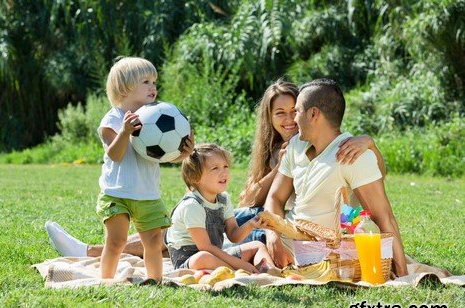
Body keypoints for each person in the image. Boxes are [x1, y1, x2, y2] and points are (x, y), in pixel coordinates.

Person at [46, 79, 384, 257]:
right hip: (259, 219)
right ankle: (97, 250)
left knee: (187, 230)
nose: (287, 119)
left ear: (309, 111)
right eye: (279, 113)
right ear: (270, 118)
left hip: (298, 230)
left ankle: (93, 251)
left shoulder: (326, 143)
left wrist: (369, 141)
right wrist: (278, 167)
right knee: (190, 222)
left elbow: (371, 175)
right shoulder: (278, 150)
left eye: (292, 110)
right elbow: (250, 196)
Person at [262, 78, 408, 277]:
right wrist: (273, 237)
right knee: (231, 233)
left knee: (227, 247)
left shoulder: (353, 154)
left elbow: (384, 217)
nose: (294, 120)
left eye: (297, 112)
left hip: (325, 255)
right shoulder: (296, 144)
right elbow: (274, 198)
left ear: (313, 114)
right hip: (280, 239)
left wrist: (403, 274)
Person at [93, 56, 192, 281]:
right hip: (116, 193)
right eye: (146, 81)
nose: (153, 87)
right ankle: (106, 280)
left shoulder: (156, 115)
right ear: (124, 87)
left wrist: (184, 152)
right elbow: (115, 155)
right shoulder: (113, 119)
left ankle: (154, 280)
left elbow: (164, 156)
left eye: (154, 82)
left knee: (154, 243)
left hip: (147, 195)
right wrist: (125, 132)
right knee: (116, 241)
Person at [165, 143, 275, 272]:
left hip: (216, 255)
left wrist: (251, 224)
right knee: (203, 257)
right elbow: (205, 247)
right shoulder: (192, 206)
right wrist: (241, 265)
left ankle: (270, 272)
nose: (223, 172)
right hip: (190, 259)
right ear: (195, 177)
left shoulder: (223, 199)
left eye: (225, 166)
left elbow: (234, 236)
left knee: (258, 246)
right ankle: (242, 272)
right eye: (215, 168)